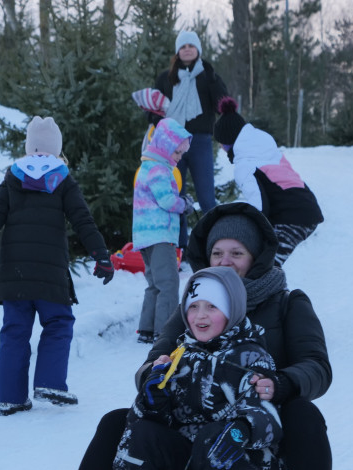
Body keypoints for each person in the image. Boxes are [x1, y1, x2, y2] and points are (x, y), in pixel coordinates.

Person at [32, 202, 341, 470]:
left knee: (304, 414)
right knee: (117, 422)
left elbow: (318, 367)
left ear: (256, 257)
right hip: (193, 454)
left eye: (237, 253)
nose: (225, 262)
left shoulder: (287, 303)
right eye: (217, 253)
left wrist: (280, 384)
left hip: (257, 450)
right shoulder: (194, 308)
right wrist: (153, 379)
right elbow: (152, 363)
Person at [76, 266, 288, 470]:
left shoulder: (250, 357)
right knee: (141, 433)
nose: (200, 315)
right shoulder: (179, 356)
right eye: (193, 307)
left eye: (212, 307)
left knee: (215, 437)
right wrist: (152, 400)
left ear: (233, 309)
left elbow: (269, 418)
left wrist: (242, 429)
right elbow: (147, 422)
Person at [0, 115, 113, 416]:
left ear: (29, 148)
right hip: (50, 273)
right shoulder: (62, 178)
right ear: (56, 149)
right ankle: (49, 382)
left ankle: (10, 397)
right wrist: (100, 255)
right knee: (58, 323)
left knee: (15, 331)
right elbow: (82, 219)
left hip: (14, 274)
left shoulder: (13, 177)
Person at [212, 97, 324, 266]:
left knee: (267, 266)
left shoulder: (245, 165)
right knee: (267, 264)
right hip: (307, 208)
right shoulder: (265, 151)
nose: (221, 148)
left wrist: (249, 234)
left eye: (222, 143)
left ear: (229, 142)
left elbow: (259, 207)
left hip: (292, 218)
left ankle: (270, 291)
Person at [151, 30, 228, 215]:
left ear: (198, 50)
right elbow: (152, 107)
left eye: (191, 46)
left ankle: (213, 241)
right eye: (183, 47)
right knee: (176, 196)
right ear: (177, 51)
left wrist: (212, 79)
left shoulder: (207, 76)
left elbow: (222, 105)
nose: (187, 50)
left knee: (207, 197)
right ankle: (180, 243)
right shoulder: (165, 78)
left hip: (199, 142)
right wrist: (157, 122)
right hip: (172, 144)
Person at [132, 117, 192, 346]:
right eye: (177, 153)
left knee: (155, 284)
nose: (179, 158)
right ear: (166, 148)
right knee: (169, 283)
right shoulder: (158, 169)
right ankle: (165, 332)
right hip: (159, 235)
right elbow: (167, 201)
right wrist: (184, 203)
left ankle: (147, 329)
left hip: (146, 236)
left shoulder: (148, 167)